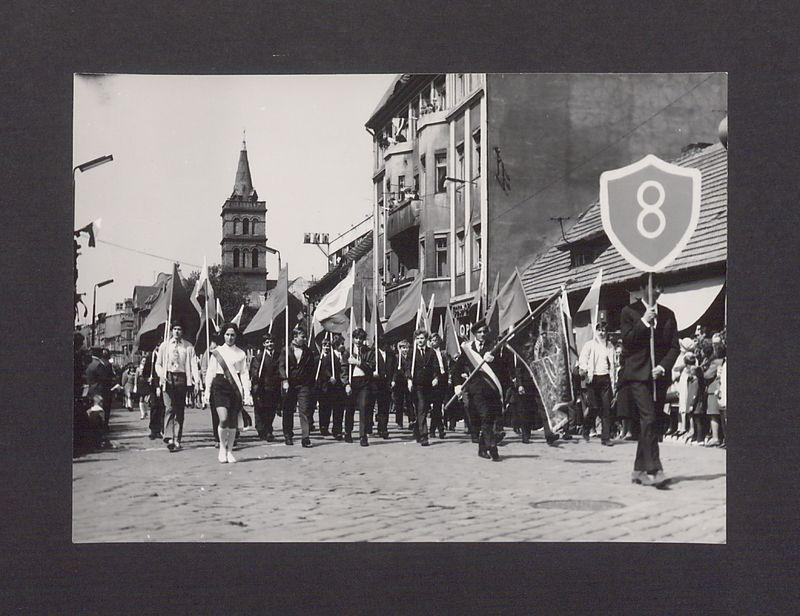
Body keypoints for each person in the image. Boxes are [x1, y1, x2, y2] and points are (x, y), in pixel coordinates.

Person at [619, 274, 679, 488]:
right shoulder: (629, 312)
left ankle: (638, 469)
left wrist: (662, 366)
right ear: (644, 288)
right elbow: (627, 342)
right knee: (649, 418)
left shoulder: (669, 315)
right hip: (637, 375)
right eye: (654, 286)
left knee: (650, 422)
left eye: (661, 287)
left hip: (658, 376)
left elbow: (674, 347)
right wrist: (644, 321)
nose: (658, 291)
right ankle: (655, 469)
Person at [453, 320, 508, 460]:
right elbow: (456, 369)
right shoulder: (468, 349)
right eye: (480, 332)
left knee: (489, 418)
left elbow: (502, 369)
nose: (483, 334)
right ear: (474, 334)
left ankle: (482, 449)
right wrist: (457, 385)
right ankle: (492, 446)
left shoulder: (492, 347)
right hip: (476, 390)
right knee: (485, 416)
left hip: (491, 389)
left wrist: (493, 360)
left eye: (485, 332)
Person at [205, 322, 253, 463]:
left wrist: (247, 393)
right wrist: (206, 391)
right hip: (219, 386)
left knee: (233, 423)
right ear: (223, 335)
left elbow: (244, 374)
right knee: (223, 418)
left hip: (234, 387)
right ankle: (222, 447)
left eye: (233, 335)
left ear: (236, 336)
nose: (230, 337)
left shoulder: (241, 353)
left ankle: (230, 451)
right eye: (227, 334)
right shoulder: (217, 352)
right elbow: (210, 372)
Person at [155, 321, 200, 451]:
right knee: (169, 408)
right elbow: (158, 364)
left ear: (182, 331)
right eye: (174, 329)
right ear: (171, 330)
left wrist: (196, 381)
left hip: (181, 378)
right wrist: (161, 375)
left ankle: (177, 438)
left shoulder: (188, 347)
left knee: (179, 410)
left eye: (179, 329)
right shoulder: (165, 346)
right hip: (168, 378)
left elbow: (193, 365)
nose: (176, 331)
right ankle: (169, 437)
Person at [577, 321, 617, 446]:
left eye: (604, 330)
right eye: (600, 330)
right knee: (594, 407)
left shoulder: (610, 346)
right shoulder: (590, 345)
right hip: (593, 378)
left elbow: (613, 364)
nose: (602, 333)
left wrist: (613, 381)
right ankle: (586, 428)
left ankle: (605, 438)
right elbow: (583, 358)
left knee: (606, 409)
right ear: (596, 331)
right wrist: (583, 369)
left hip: (605, 378)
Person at [279, 327, 317, 448]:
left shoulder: (307, 351)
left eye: (305, 336)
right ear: (295, 337)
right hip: (289, 384)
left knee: (304, 410)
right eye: (302, 337)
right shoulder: (286, 350)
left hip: (303, 385)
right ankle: (288, 435)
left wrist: (310, 382)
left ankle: (305, 437)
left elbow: (311, 367)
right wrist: (284, 379)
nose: (305, 339)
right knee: (288, 410)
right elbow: (281, 366)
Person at [342, 328, 376, 446]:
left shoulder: (369, 352)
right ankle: (348, 432)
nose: (358, 341)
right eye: (356, 338)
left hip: (364, 383)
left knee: (364, 407)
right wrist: (346, 384)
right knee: (350, 408)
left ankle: (363, 435)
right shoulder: (347, 352)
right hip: (352, 382)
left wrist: (359, 363)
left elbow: (371, 368)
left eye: (361, 338)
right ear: (353, 339)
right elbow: (344, 369)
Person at [406, 329, 440, 446]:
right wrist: (409, 380)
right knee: (421, 407)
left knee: (423, 409)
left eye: (422, 338)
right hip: (416, 385)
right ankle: (424, 435)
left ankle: (417, 431)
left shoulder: (431, 352)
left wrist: (436, 377)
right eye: (418, 339)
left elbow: (436, 367)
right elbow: (408, 367)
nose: (420, 341)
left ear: (426, 340)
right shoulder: (412, 352)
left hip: (428, 385)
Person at [250, 333, 282, 441]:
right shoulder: (259, 357)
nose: (270, 344)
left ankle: (268, 429)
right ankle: (263, 430)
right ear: (264, 344)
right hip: (262, 388)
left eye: (271, 342)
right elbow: (254, 371)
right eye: (267, 342)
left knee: (271, 410)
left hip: (274, 387)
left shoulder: (278, 356)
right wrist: (256, 377)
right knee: (261, 410)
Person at [314, 336, 345, 439]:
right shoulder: (328, 357)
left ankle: (337, 431)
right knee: (326, 409)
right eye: (341, 344)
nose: (343, 346)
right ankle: (324, 427)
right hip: (329, 387)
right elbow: (325, 368)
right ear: (336, 345)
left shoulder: (345, 356)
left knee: (339, 410)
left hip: (341, 387)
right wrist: (330, 376)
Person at [703, 333, 726, 447]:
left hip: (714, 388)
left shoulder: (716, 361)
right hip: (718, 388)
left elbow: (707, 375)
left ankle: (716, 437)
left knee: (713, 414)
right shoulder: (722, 360)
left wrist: (702, 370)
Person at [85, 347, 116, 430]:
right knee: (101, 409)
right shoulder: (99, 364)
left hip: (91, 388)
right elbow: (104, 378)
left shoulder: (89, 363)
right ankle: (102, 427)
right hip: (100, 389)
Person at [427, 333, 450, 439]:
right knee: (436, 406)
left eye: (435, 340)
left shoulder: (443, 352)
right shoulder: (429, 353)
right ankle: (439, 430)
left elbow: (447, 366)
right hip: (433, 381)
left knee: (438, 406)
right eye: (431, 340)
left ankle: (433, 430)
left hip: (443, 380)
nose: (433, 342)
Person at [371, 340, 395, 439]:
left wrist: (393, 380)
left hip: (387, 384)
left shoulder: (391, 355)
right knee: (372, 406)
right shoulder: (373, 354)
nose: (385, 345)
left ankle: (383, 428)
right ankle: (369, 426)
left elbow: (394, 369)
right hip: (375, 384)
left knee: (384, 407)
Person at [391, 339, 413, 429]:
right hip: (399, 383)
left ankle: (411, 420)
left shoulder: (411, 357)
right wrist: (393, 380)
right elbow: (394, 371)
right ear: (399, 348)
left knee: (409, 402)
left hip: (408, 382)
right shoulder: (396, 357)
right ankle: (399, 422)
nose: (405, 350)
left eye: (406, 348)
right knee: (399, 403)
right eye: (403, 348)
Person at [134, 356, 150, 420]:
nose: (144, 362)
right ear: (141, 361)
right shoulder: (138, 369)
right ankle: (142, 413)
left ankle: (146, 411)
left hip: (146, 384)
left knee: (146, 399)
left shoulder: (148, 368)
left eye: (145, 361)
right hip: (140, 384)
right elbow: (136, 377)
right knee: (141, 398)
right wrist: (135, 385)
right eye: (143, 361)